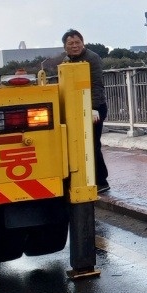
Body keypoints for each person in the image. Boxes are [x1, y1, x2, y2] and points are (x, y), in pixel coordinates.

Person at [44, 29, 110, 194]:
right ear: (65, 46)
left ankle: (102, 181)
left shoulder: (92, 58)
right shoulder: (67, 60)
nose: (75, 46)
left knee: (92, 144)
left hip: (94, 107)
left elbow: (97, 85)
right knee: (78, 145)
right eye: (71, 43)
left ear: (83, 42)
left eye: (77, 42)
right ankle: (84, 179)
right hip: (76, 108)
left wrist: (94, 108)